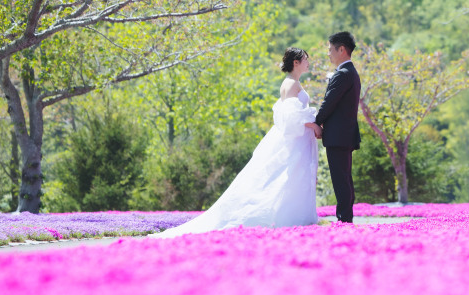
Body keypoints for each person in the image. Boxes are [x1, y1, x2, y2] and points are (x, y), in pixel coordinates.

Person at [150, 48, 319, 238]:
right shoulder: (291, 84)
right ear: (296, 62)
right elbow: (290, 116)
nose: (308, 62)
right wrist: (314, 125)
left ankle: (295, 217)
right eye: (305, 59)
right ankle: (285, 217)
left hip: (299, 140)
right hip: (293, 140)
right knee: (284, 178)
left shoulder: (293, 83)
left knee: (293, 177)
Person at [306, 32, 361, 223]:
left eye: (330, 49)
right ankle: (346, 218)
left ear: (342, 50)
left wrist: (316, 122)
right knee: (344, 178)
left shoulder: (343, 74)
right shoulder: (351, 73)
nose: (328, 53)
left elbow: (329, 103)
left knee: (341, 180)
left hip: (339, 136)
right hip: (344, 135)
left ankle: (344, 219)